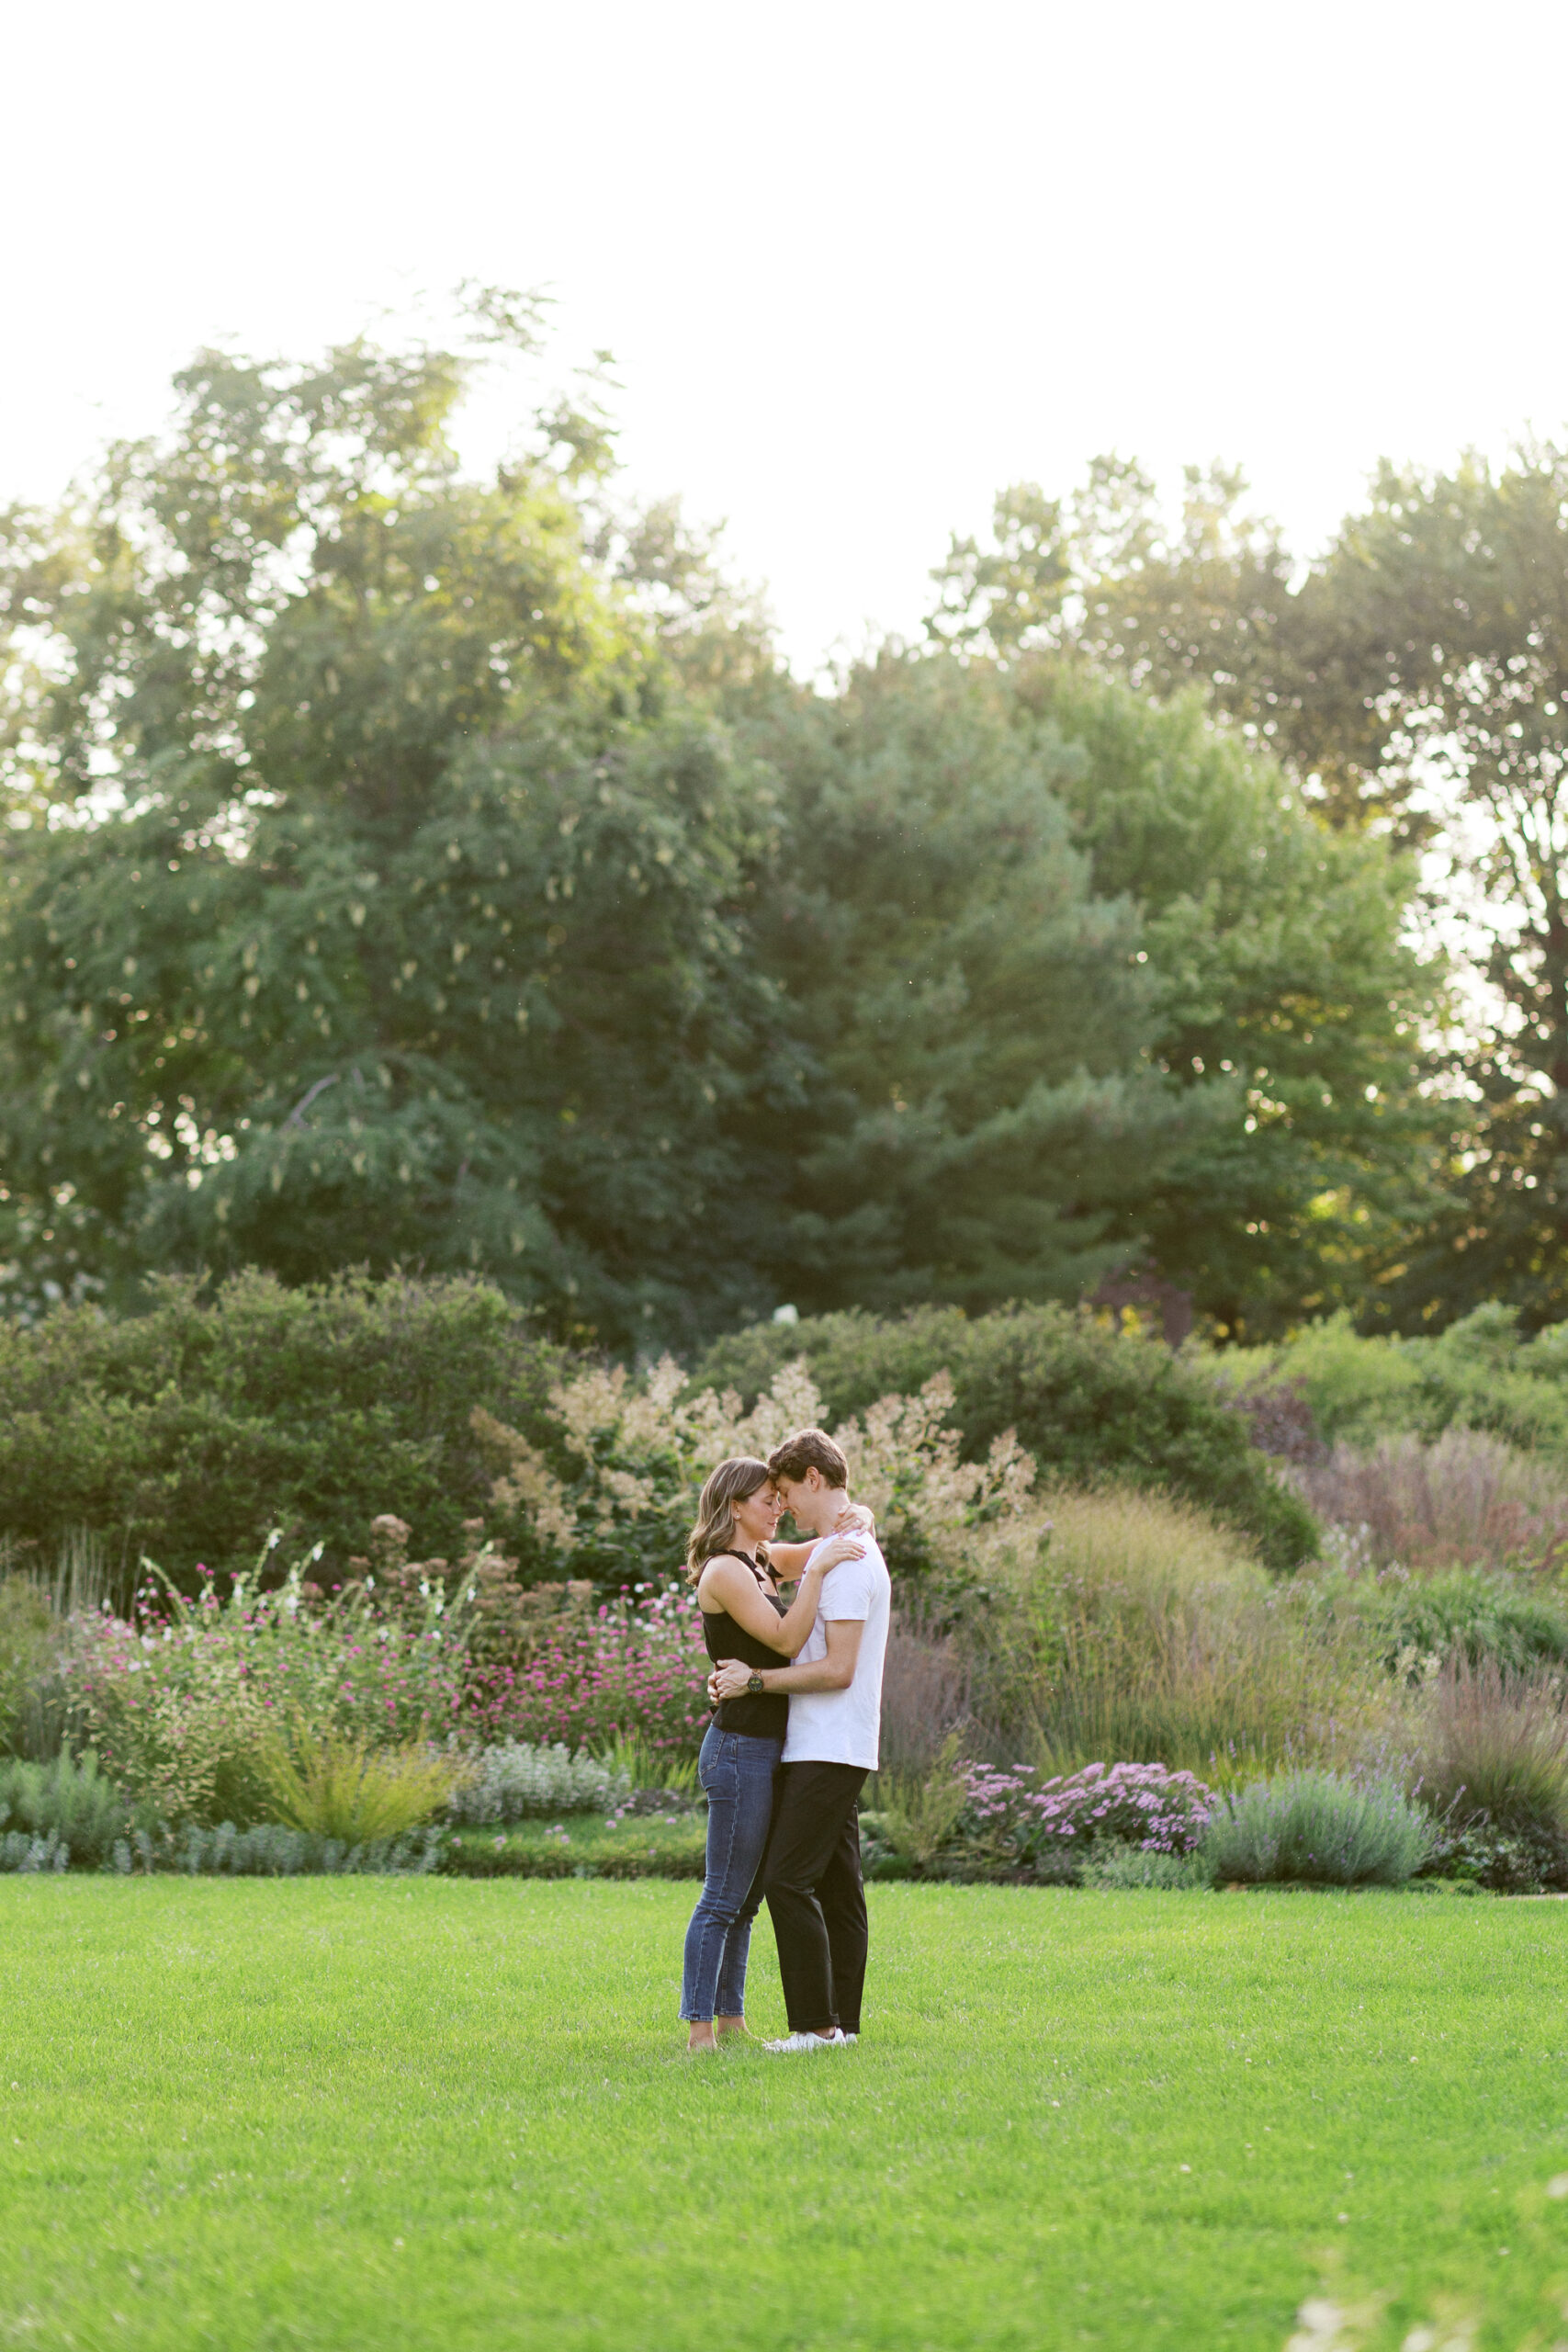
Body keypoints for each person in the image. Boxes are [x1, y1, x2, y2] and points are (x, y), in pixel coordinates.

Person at [708, 1426, 891, 2055]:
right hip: (828, 1740)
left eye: (784, 1491)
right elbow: (801, 1554)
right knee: (840, 1888)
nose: (780, 1504)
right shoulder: (842, 1548)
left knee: (787, 1881)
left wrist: (753, 1680)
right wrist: (847, 1525)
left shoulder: (846, 1562)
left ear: (812, 1478)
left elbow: (836, 1668)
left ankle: (813, 2027)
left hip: (828, 1743)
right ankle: (843, 2026)